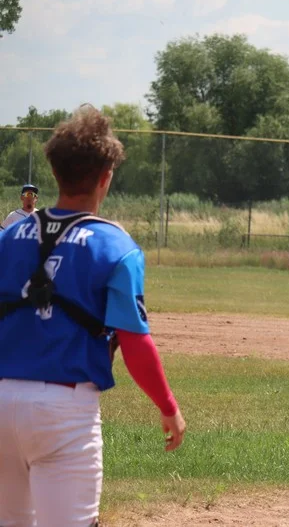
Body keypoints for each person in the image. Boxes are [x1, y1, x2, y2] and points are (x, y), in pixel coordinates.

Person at [0, 106, 186, 526]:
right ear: (106, 177)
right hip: (64, 411)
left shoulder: (10, 235)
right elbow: (134, 341)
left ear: (55, 171)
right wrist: (168, 405)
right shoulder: (115, 246)